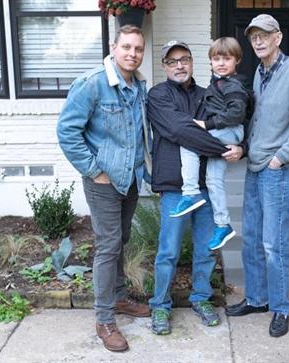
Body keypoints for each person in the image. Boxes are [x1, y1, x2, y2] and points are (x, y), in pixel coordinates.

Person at [223, 14, 289, 338]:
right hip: (255, 166)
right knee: (251, 239)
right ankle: (257, 298)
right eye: (253, 36)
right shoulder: (260, 74)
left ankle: (280, 308)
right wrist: (245, 147)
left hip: (277, 172)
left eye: (264, 35)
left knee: (273, 244)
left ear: (278, 37)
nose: (258, 41)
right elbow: (260, 121)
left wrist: (281, 158)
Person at [57, 25, 152, 353]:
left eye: (138, 49)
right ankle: (104, 319)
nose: (132, 54)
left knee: (120, 240)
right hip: (104, 182)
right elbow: (67, 131)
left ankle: (120, 297)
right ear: (114, 47)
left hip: (131, 179)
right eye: (126, 47)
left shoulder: (138, 83)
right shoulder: (93, 83)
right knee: (108, 245)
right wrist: (94, 170)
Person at [147, 40, 231, 335]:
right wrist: (224, 149)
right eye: (172, 61)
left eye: (184, 59)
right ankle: (159, 305)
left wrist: (241, 145)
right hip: (174, 188)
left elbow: (229, 123)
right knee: (168, 250)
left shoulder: (209, 94)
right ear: (164, 67)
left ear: (193, 62)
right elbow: (180, 130)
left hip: (206, 185)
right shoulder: (157, 95)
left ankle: (201, 298)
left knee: (207, 249)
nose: (179, 65)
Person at [169, 37, 253, 251]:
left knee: (189, 140)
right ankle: (223, 224)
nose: (221, 63)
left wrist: (207, 124)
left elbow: (236, 113)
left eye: (227, 58)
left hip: (230, 130)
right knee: (214, 180)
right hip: (226, 131)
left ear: (237, 61)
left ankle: (190, 192)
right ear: (210, 61)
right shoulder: (219, 82)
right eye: (217, 59)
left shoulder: (233, 84)